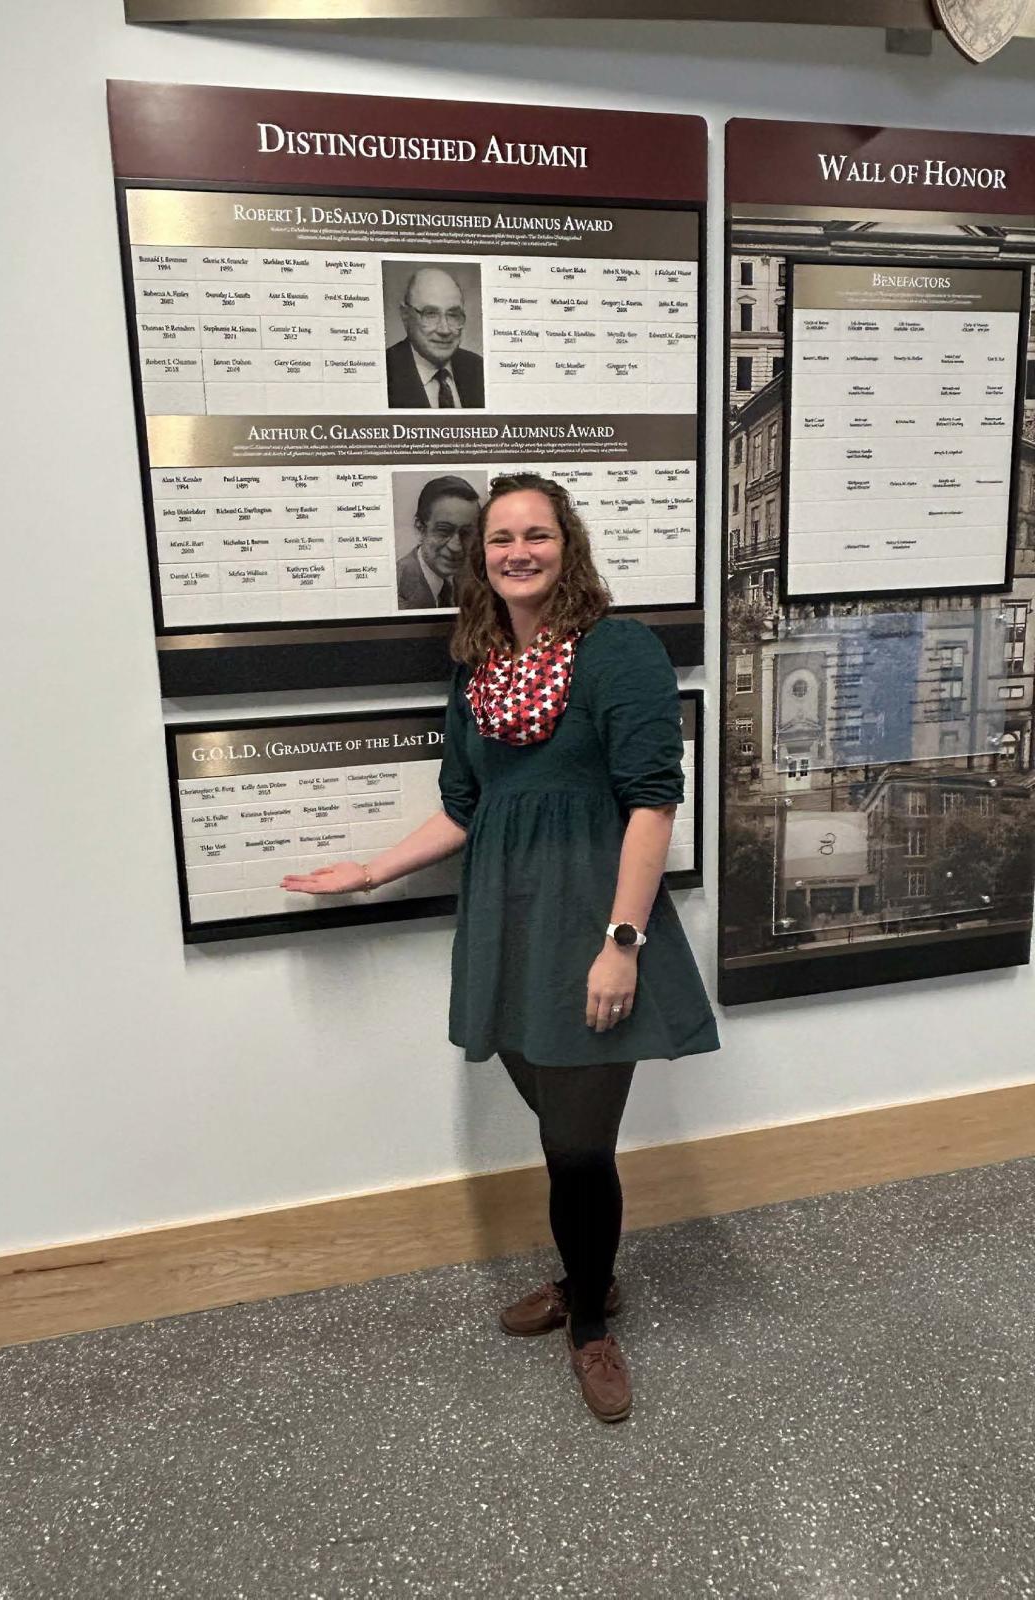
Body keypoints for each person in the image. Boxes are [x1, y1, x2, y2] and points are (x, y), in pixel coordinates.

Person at [281, 472, 719, 1425]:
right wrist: (371, 872)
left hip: (593, 922)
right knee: (554, 1133)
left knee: (576, 1142)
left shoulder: (620, 653)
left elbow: (654, 800)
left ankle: (591, 1322)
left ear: (570, 548)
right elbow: (466, 806)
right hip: (504, 924)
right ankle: (586, 1276)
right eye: (499, 539)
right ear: (480, 559)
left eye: (537, 534)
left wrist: (622, 943)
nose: (517, 551)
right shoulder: (476, 665)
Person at [385, 266, 486, 409]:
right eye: (430, 314)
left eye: (453, 315)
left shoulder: (478, 369)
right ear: (405, 315)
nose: (444, 330)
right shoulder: (384, 372)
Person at [395, 474, 479, 609]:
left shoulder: (472, 583)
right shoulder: (395, 588)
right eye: (444, 531)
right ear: (420, 528)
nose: (456, 547)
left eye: (466, 533)